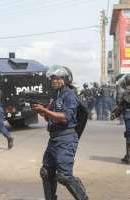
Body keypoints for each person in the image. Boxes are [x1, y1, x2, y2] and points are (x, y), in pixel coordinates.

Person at [32, 65, 88, 200]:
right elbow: (51, 118)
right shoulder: (56, 96)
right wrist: (43, 112)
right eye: (52, 78)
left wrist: (45, 111)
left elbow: (64, 117)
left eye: (57, 78)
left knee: (64, 176)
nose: (53, 81)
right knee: (46, 172)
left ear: (65, 79)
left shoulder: (69, 95)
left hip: (66, 139)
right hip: (54, 139)